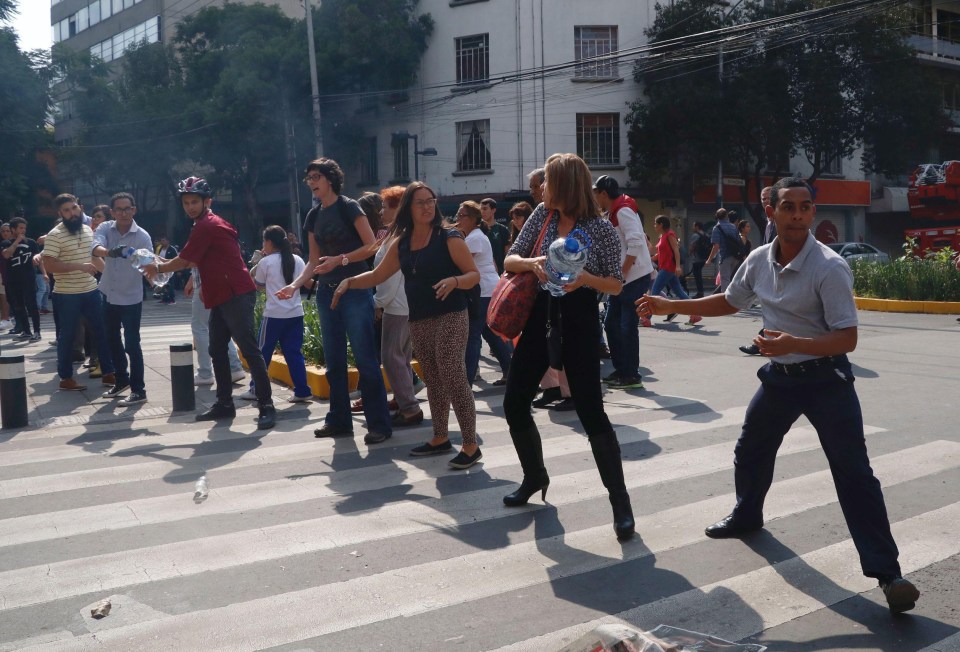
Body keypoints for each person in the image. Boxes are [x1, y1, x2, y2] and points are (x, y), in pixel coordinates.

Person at [635, 177, 920, 614]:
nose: (798, 215)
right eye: (789, 207)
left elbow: (846, 339)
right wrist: (665, 304)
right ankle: (747, 514)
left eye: (806, 208)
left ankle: (888, 573)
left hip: (827, 380)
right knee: (751, 448)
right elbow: (730, 301)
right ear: (772, 211)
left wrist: (794, 344)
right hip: (782, 379)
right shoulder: (757, 259)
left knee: (854, 474)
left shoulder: (829, 267)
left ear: (812, 213)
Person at [500, 152, 635, 540]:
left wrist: (584, 279)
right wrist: (533, 263)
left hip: (578, 319)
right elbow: (510, 260)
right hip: (540, 315)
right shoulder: (542, 217)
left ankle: (620, 502)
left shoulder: (601, 229)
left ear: (566, 185)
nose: (541, 188)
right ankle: (534, 477)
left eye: (548, 182)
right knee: (514, 401)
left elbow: (615, 283)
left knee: (592, 412)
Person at [330, 182, 482, 468]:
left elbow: (474, 275)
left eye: (431, 201)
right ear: (408, 209)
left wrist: (455, 281)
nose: (427, 206)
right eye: (420, 202)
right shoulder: (402, 242)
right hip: (419, 318)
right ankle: (440, 437)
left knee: (452, 374)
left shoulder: (449, 237)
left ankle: (471, 444)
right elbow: (377, 275)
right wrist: (349, 281)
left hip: (452, 313)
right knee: (434, 378)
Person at [145, 177, 276, 429]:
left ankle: (266, 406)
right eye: (186, 202)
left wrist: (158, 267)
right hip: (221, 294)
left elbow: (184, 260)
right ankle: (225, 404)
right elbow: (201, 260)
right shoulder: (203, 225)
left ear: (208, 202)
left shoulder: (207, 225)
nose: (190, 207)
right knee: (216, 349)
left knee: (249, 350)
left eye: (195, 201)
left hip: (236, 293)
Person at [276, 158, 392, 444]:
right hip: (327, 292)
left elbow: (372, 245)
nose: (311, 182)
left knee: (365, 359)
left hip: (354, 288)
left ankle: (379, 424)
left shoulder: (349, 206)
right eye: (308, 178)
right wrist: (294, 285)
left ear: (330, 179)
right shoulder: (313, 216)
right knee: (334, 361)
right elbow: (314, 261)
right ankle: (339, 420)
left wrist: (341, 260)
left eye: (316, 176)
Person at [41, 194, 116, 392]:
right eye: (66, 210)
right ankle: (66, 377)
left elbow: (93, 259)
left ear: (80, 208)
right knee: (67, 337)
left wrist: (111, 277)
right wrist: (79, 266)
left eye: (74, 208)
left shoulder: (87, 230)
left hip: (91, 291)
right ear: (60, 213)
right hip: (66, 294)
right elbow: (49, 264)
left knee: (101, 331)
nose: (72, 213)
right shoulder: (55, 235)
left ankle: (109, 373)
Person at [90, 193, 153, 406]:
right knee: (111, 339)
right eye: (119, 209)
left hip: (131, 297)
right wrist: (110, 252)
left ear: (134, 210)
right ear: (113, 212)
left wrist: (156, 281)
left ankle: (139, 389)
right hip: (108, 293)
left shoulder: (142, 236)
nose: (124, 213)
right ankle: (121, 380)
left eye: (127, 209)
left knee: (132, 344)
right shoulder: (106, 228)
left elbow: (149, 265)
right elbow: (95, 247)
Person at [238, 225, 311, 404]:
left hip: (273, 315)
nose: (263, 244)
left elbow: (258, 285)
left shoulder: (266, 262)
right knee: (294, 353)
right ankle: (302, 390)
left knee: (262, 353)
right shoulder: (298, 260)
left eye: (264, 241)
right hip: (295, 313)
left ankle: (256, 388)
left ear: (269, 242)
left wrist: (256, 265)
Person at [370, 185, 423, 428]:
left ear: (397, 208)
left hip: (398, 305)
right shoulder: (399, 233)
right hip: (404, 304)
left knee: (391, 357)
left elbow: (388, 277)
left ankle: (409, 408)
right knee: (398, 356)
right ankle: (404, 400)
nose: (381, 211)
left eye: (384, 206)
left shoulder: (398, 236)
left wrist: (378, 302)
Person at [593, 175, 652, 389]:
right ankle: (621, 369)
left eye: (595, 193)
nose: (594, 198)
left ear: (603, 193)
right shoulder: (614, 211)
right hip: (623, 279)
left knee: (627, 326)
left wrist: (621, 274)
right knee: (611, 324)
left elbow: (636, 243)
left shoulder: (623, 210)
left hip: (633, 278)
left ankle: (631, 374)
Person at [457, 200, 514, 386]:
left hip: (482, 291)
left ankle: (466, 381)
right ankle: (510, 371)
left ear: (473, 219)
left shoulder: (473, 238)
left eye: (462, 215)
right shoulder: (475, 235)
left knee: (472, 335)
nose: (458, 218)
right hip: (486, 289)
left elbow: (461, 264)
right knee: (489, 333)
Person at [184, 267, 246, 386]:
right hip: (219, 283)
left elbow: (195, 257)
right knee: (219, 327)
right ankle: (234, 367)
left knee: (200, 327)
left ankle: (205, 373)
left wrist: (162, 267)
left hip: (205, 283)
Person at [740, 186, 775, 356]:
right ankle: (762, 343)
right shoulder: (768, 222)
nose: (765, 201)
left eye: (768, 198)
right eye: (762, 199)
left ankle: (760, 344)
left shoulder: (780, 220)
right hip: (771, 273)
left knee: (773, 311)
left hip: (781, 274)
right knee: (772, 312)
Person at [650, 215, 702, 326]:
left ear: (661, 225)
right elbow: (660, 254)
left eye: (656, 223)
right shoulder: (662, 236)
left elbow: (676, 251)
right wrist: (649, 259)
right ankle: (694, 314)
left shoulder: (670, 234)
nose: (654, 226)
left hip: (668, 268)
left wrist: (678, 266)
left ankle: (645, 318)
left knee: (654, 292)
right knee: (679, 292)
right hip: (667, 268)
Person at [1, 217, 43, 341]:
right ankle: (26, 330)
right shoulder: (6, 243)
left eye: (24, 228)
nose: (23, 230)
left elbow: (38, 258)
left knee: (32, 305)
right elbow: (6, 254)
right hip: (13, 280)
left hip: (29, 278)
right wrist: (17, 242)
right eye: (20, 228)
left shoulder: (31, 242)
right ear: (13, 229)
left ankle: (37, 331)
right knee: (19, 306)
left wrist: (44, 273)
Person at [705, 207, 741, 292]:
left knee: (725, 281)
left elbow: (716, 246)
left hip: (725, 257)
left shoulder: (717, 228)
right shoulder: (733, 227)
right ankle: (734, 300)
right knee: (732, 280)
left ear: (717, 217)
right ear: (727, 216)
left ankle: (725, 301)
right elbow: (738, 241)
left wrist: (709, 260)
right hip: (736, 257)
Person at [480, 198, 510, 275]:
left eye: (485, 209)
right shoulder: (477, 230)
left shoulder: (502, 229)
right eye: (481, 209)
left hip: (500, 273)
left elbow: (508, 253)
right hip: (483, 273)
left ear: (493, 210)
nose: (482, 212)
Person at [688, 221, 710, 299]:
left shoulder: (695, 235)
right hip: (704, 258)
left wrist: (690, 253)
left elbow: (692, 247)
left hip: (696, 258)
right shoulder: (706, 235)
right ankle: (701, 292)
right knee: (699, 276)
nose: (692, 228)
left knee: (697, 277)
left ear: (697, 227)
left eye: (693, 226)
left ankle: (700, 293)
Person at [154, 236, 178, 304]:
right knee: (162, 284)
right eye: (161, 241)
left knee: (170, 285)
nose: (162, 242)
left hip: (170, 270)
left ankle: (171, 299)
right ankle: (164, 298)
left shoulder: (172, 249)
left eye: (164, 240)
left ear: (168, 241)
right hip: (161, 270)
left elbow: (176, 259)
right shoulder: (159, 249)